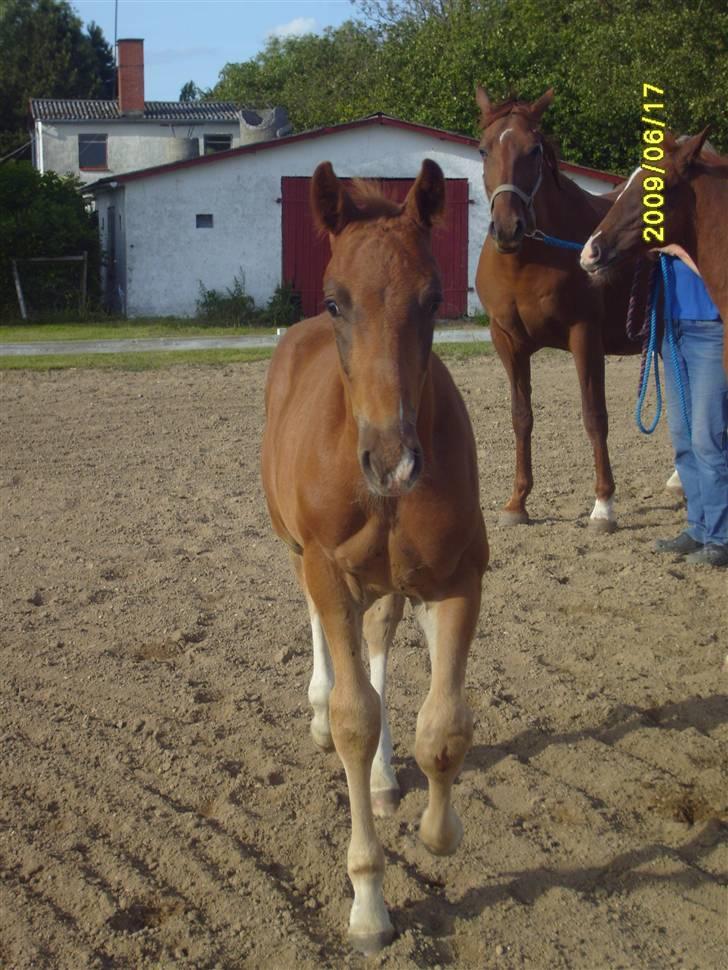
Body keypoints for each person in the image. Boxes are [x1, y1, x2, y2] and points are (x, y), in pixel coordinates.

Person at [654, 255, 728, 567]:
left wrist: (679, 247)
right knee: (683, 437)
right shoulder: (665, 206)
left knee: (707, 438)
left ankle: (721, 537)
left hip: (712, 329)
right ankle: (698, 527)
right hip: (673, 328)